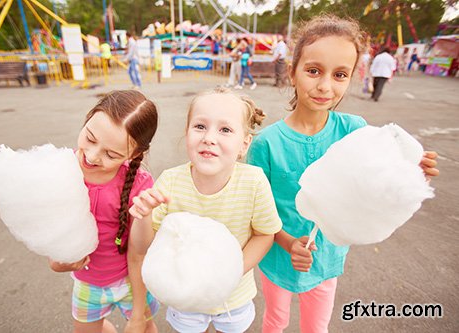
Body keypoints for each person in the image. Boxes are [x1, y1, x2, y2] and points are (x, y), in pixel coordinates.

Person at [246, 15, 440, 333]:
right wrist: (286, 242)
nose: (325, 86)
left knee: (317, 326)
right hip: (279, 259)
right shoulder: (267, 143)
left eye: (339, 75)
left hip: (326, 260)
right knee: (275, 320)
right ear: (292, 72)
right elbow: (256, 212)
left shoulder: (355, 131)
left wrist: (410, 174)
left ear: (351, 78)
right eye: (313, 71)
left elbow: (374, 188)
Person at [129, 87, 283, 332]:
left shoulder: (253, 182)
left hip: (233, 297)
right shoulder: (170, 181)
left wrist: (229, 273)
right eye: (200, 126)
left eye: (225, 130)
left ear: (244, 144)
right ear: (187, 132)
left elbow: (265, 234)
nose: (209, 137)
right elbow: (142, 246)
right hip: (184, 295)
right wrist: (143, 216)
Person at [49, 90, 160, 333]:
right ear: (88, 119)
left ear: (135, 154)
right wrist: (57, 263)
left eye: (111, 154)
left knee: (145, 328)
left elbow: (139, 254)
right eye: (90, 138)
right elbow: (51, 233)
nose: (92, 155)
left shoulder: (140, 184)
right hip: (87, 284)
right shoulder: (60, 170)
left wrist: (139, 315)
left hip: (132, 282)